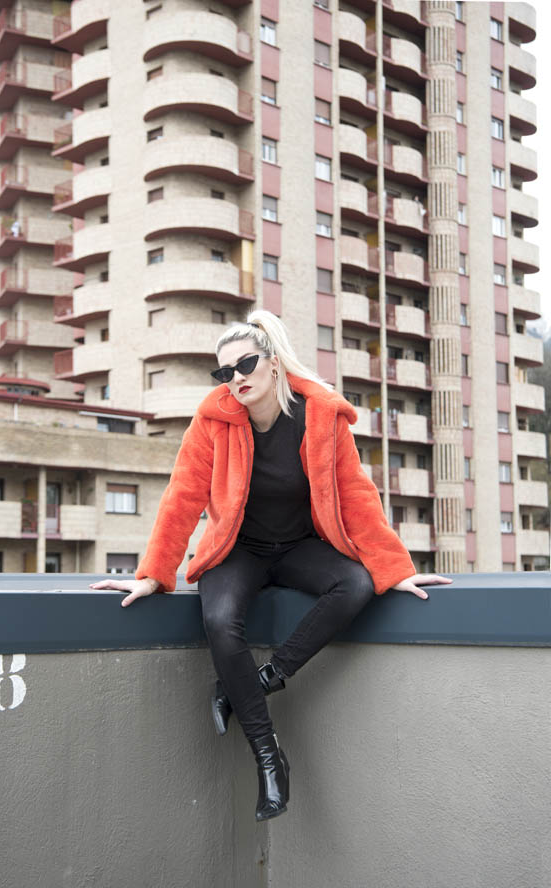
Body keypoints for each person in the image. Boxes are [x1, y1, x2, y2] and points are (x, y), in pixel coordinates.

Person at [90, 310, 452, 821]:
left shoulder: (320, 416)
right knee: (219, 618)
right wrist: (153, 573)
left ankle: (259, 682)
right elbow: (182, 497)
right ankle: (268, 757)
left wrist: (396, 568)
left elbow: (356, 496)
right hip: (237, 549)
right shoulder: (213, 421)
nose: (236, 378)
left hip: (299, 545)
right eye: (225, 371)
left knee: (356, 583)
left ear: (273, 362)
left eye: (245, 364)